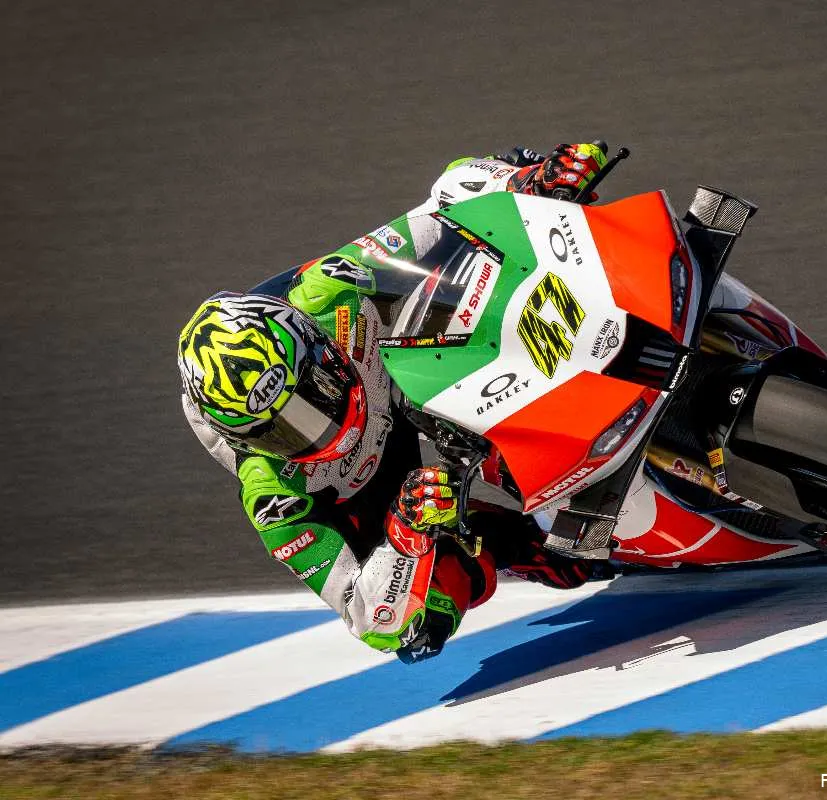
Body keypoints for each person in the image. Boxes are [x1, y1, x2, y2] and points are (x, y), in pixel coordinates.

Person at [178, 143, 612, 663]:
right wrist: (407, 535)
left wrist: (534, 181)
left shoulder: (327, 292)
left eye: (307, 398)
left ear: (317, 350)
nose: (311, 430)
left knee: (482, 230)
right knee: (422, 622)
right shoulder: (273, 494)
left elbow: (437, 213)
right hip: (366, 496)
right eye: (279, 432)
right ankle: (523, 547)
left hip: (393, 378)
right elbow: (366, 618)